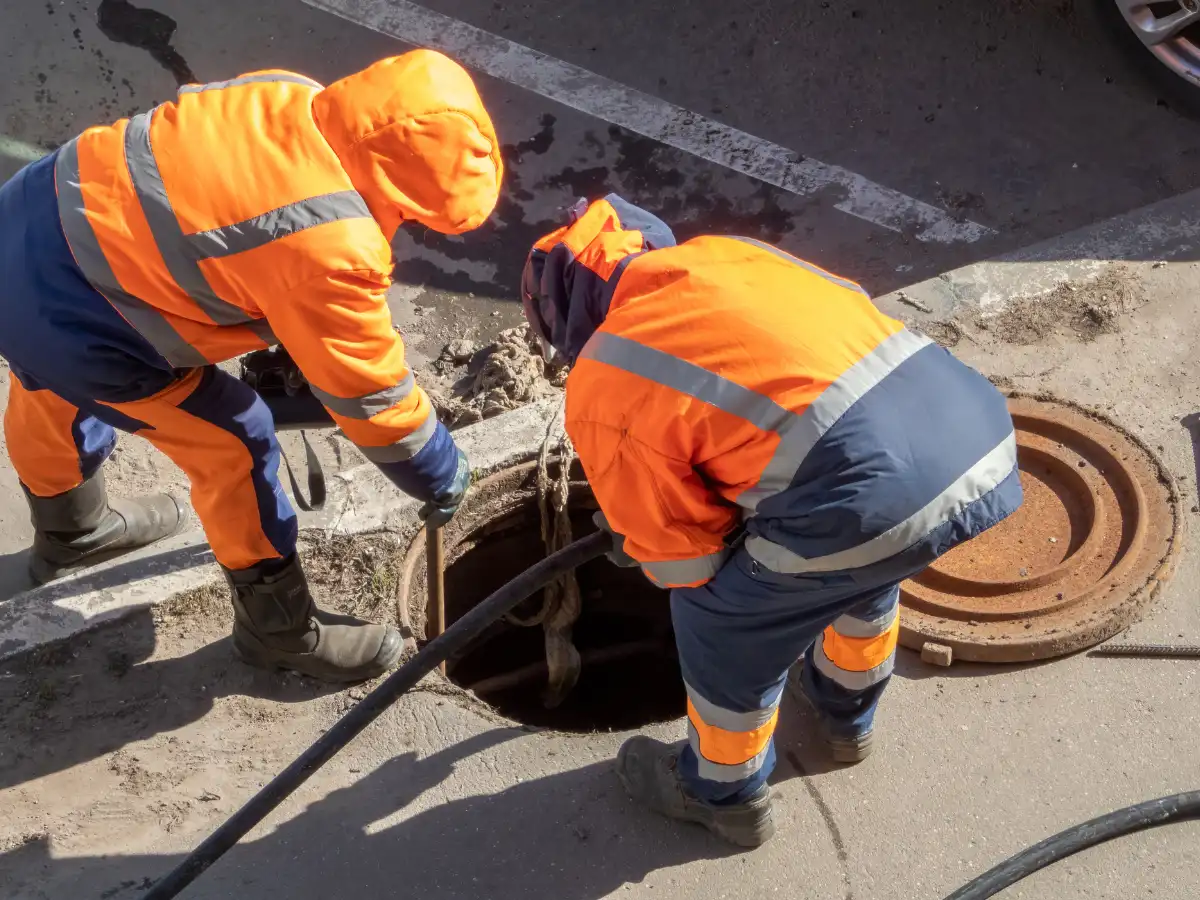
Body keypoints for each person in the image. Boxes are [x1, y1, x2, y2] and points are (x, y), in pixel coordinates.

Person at [519, 196, 1023, 847]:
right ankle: (846, 722)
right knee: (860, 573)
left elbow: (687, 560)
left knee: (720, 619)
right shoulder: (731, 257)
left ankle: (720, 794)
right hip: (977, 443)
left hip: (868, 497)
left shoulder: (607, 371)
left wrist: (643, 538)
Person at [0, 50, 502, 683]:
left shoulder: (288, 92)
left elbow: (215, 214)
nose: (402, 226)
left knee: (46, 382)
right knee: (234, 440)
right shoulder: (334, 245)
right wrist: (438, 469)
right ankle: (279, 632)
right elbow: (371, 396)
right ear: (396, 185)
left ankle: (71, 532)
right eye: (410, 212)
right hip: (79, 315)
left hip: (27, 224)